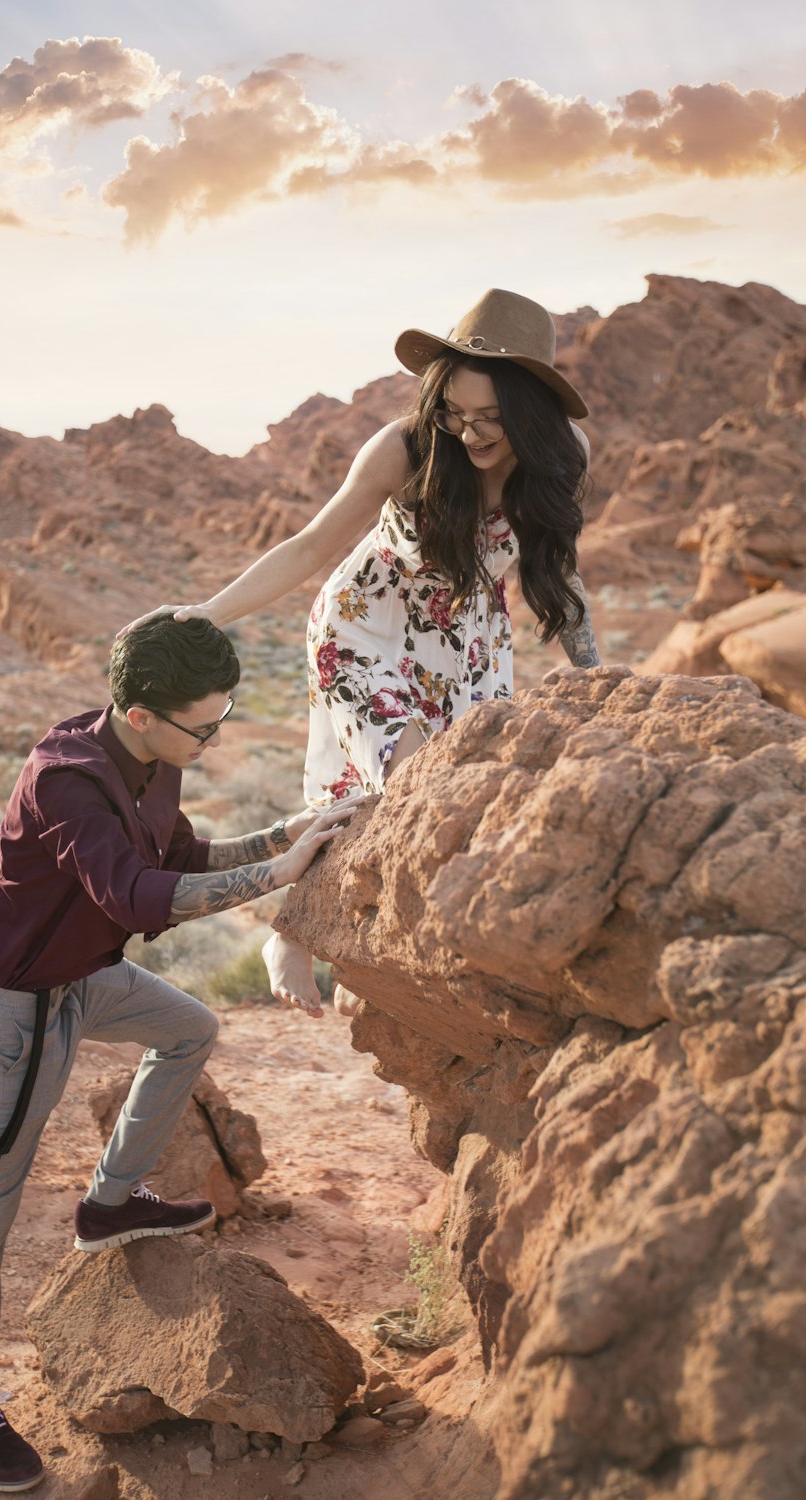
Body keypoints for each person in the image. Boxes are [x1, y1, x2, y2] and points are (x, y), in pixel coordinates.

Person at [0, 616, 355, 1494]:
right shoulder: (67, 780)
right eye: (203, 725)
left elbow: (186, 856)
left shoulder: (156, 762)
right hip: (4, 1009)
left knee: (190, 1027)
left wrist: (292, 833)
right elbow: (135, 894)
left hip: (80, 979)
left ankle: (108, 1204)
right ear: (139, 712)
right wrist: (278, 881)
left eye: (221, 718)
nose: (214, 737)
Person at [125, 289, 601, 1018]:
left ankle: (370, 943)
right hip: (362, 631)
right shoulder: (404, 447)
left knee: (445, 802)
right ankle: (299, 928)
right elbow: (311, 545)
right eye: (454, 411)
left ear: (531, 411)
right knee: (404, 782)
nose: (467, 432)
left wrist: (596, 679)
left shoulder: (564, 459)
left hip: (465, 650)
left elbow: (560, 571)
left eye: (490, 419)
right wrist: (208, 611)